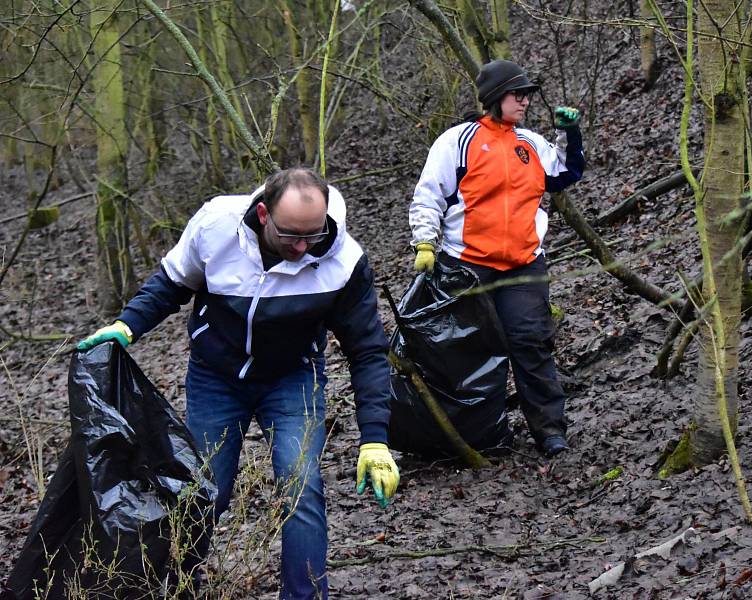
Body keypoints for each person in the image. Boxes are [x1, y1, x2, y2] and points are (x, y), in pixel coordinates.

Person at [78, 168, 400, 599]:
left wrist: (374, 439)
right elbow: (171, 285)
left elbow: (366, 349)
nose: (303, 248)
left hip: (292, 380)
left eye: (313, 235)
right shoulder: (216, 227)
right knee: (203, 492)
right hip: (216, 377)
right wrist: (126, 326)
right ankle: (174, 585)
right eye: (291, 237)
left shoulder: (343, 261)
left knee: (300, 487)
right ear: (264, 214)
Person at [408, 59, 585, 458]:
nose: (524, 101)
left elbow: (566, 173)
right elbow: (429, 194)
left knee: (531, 342)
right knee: (469, 350)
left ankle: (549, 430)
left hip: (524, 262)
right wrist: (425, 243)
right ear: (494, 98)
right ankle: (476, 435)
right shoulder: (458, 141)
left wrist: (569, 132)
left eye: (527, 95)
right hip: (467, 264)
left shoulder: (532, 143)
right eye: (516, 94)